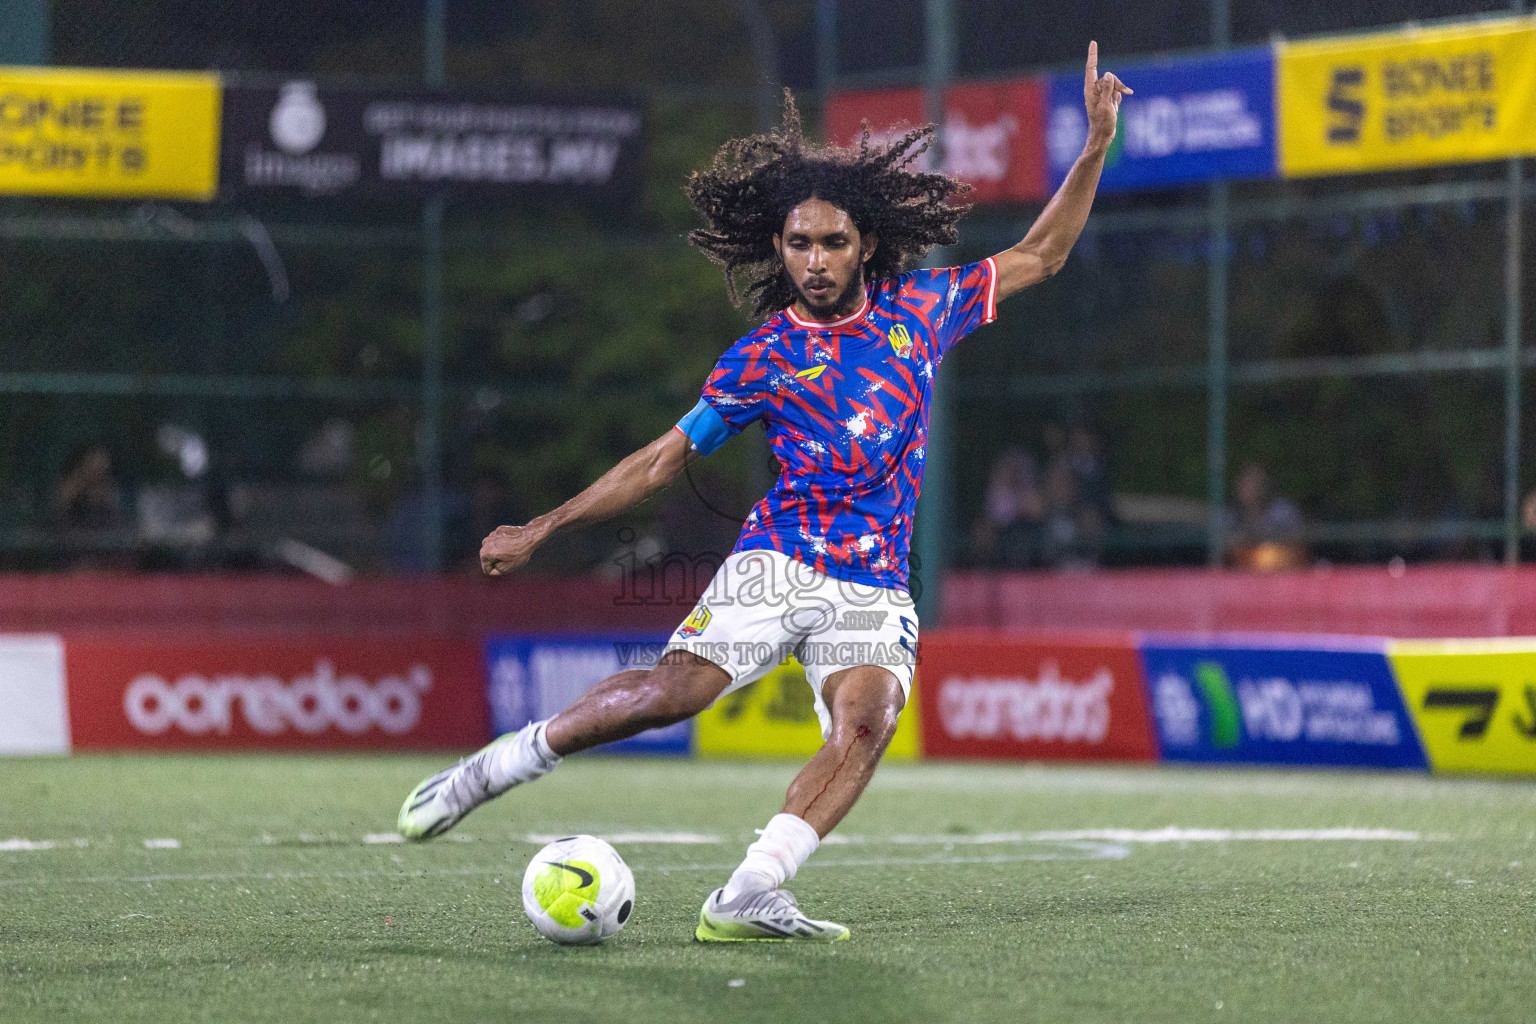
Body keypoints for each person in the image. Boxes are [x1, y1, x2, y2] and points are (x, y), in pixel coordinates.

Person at [398, 43, 1130, 942]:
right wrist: (546, 525)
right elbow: (663, 458)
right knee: (675, 693)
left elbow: (1042, 254)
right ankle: (501, 766)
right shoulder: (763, 357)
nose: (815, 260)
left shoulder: (921, 311)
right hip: (776, 562)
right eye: (798, 243)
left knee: (865, 725)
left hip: (873, 585)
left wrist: (1093, 147)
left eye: (831, 241)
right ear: (777, 250)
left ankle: (749, 893)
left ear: (865, 242)